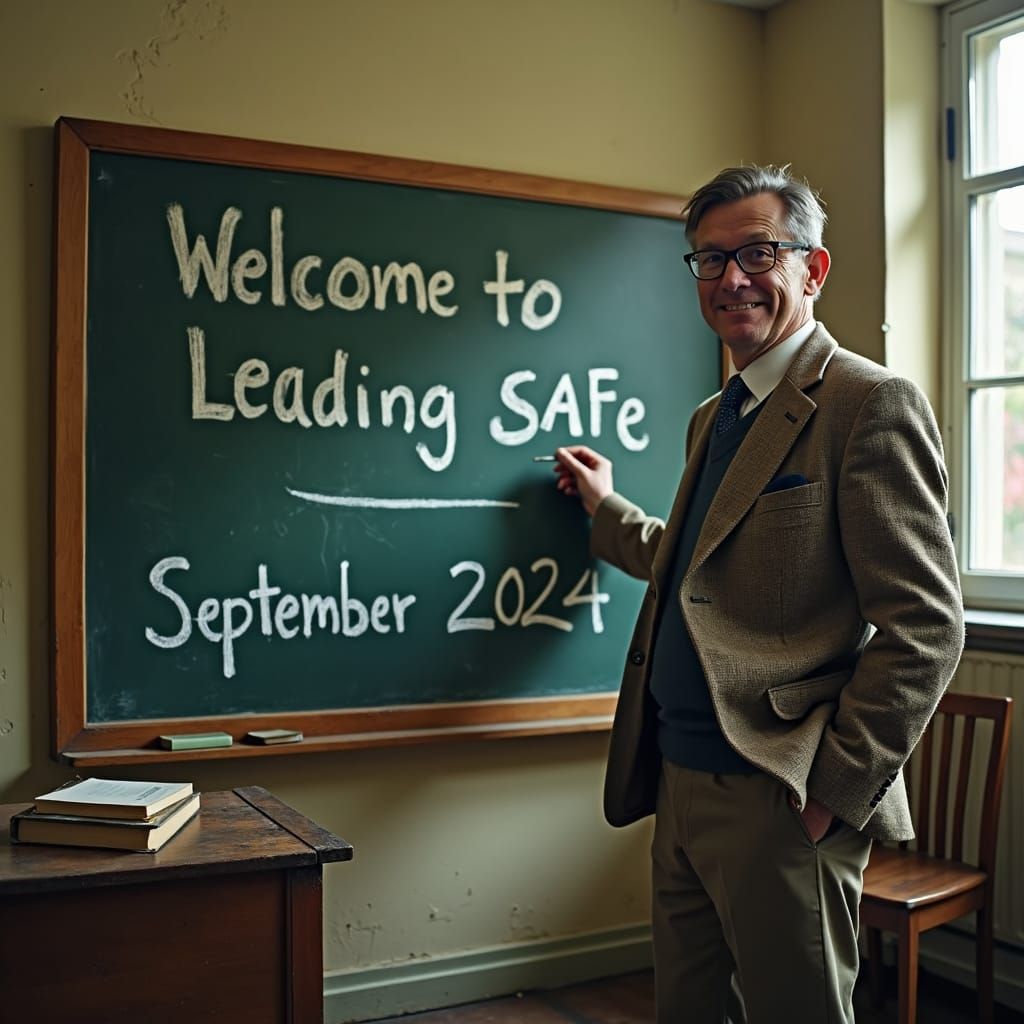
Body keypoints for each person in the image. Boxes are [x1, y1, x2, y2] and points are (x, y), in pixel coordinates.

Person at [553, 165, 964, 1024]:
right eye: (709, 259)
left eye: (757, 253)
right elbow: (697, 566)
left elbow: (925, 625)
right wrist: (605, 507)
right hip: (680, 779)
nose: (731, 278)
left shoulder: (868, 403)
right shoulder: (717, 415)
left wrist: (828, 795)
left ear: (812, 270)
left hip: (780, 795)